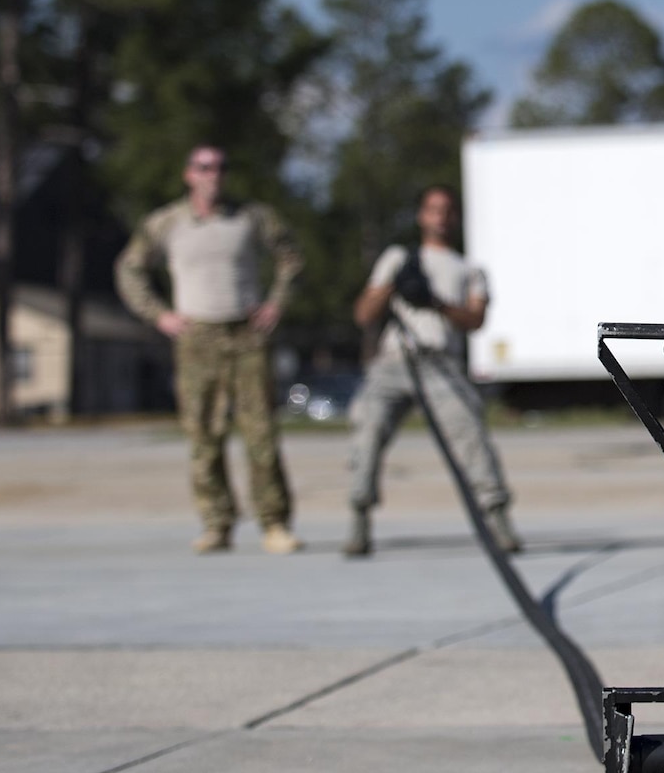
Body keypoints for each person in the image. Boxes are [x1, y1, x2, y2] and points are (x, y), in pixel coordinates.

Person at [116, 145, 304, 554]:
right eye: (204, 167)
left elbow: (291, 259)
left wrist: (277, 303)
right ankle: (217, 523)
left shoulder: (251, 218)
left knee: (261, 434)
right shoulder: (166, 223)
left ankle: (274, 522)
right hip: (196, 336)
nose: (213, 175)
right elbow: (130, 269)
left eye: (220, 167)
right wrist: (159, 315)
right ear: (189, 174)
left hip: (246, 334)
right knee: (203, 436)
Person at [343, 184, 519, 558]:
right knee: (367, 433)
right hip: (396, 359)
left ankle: (496, 515)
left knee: (470, 437)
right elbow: (363, 314)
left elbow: (475, 319)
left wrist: (436, 302)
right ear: (422, 216)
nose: (440, 217)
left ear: (454, 218)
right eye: (432, 209)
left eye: (447, 210)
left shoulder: (469, 268)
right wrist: (393, 282)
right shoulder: (398, 257)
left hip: (440, 362)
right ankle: (359, 514)